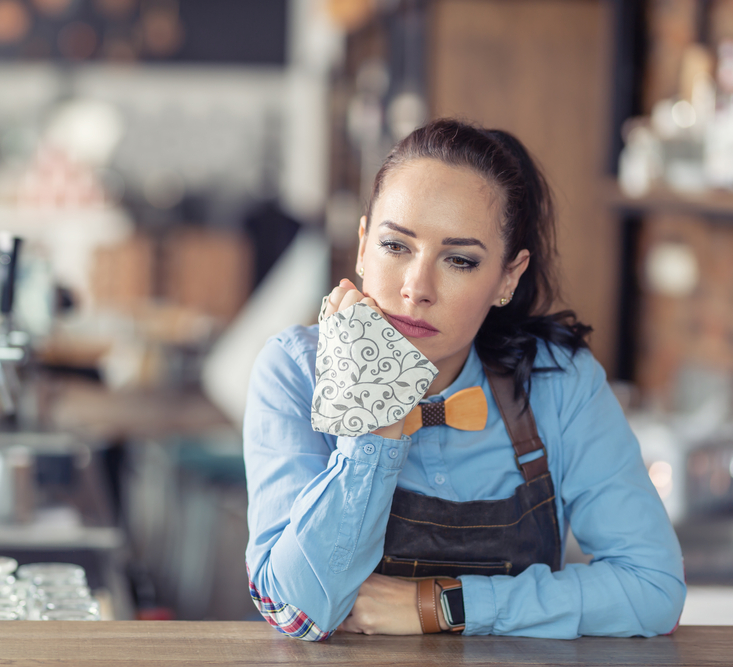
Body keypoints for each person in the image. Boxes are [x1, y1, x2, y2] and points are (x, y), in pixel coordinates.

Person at [243, 119, 685, 640]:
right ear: (362, 246)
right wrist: (375, 423)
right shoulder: (295, 371)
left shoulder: (559, 381)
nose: (417, 287)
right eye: (395, 246)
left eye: (459, 259)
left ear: (508, 277)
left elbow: (653, 588)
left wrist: (443, 605)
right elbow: (298, 612)